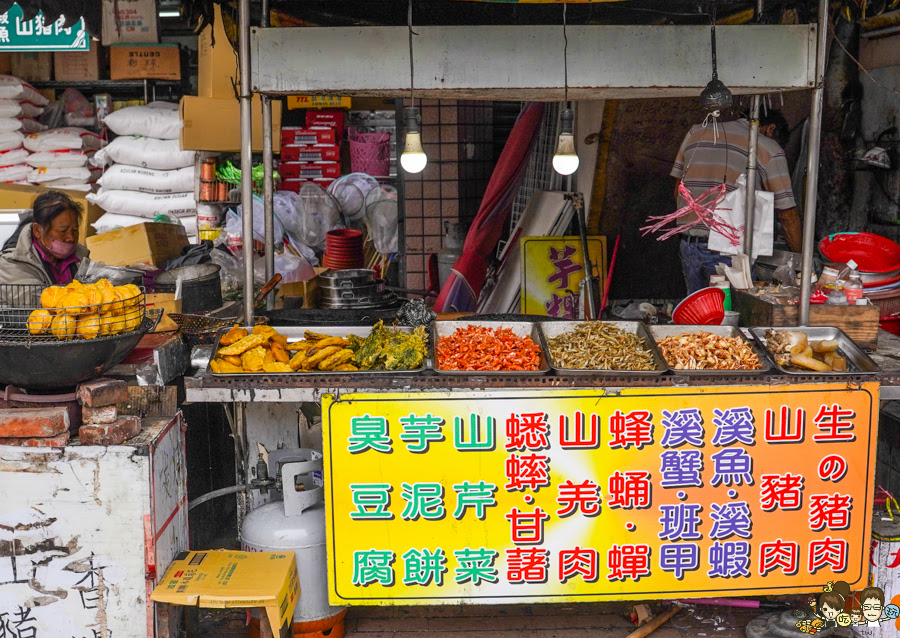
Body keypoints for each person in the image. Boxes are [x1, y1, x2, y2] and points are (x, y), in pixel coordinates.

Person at [670, 110, 803, 294]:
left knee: (699, 315)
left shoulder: (695, 132)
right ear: (771, 128)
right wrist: (801, 261)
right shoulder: (768, 147)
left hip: (688, 245)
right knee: (735, 315)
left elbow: (678, 191)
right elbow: (787, 214)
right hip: (726, 251)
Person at [0, 191, 89, 286]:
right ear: (38, 231)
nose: (71, 238)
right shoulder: (11, 264)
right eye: (63, 231)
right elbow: (38, 298)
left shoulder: (79, 256)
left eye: (75, 230)